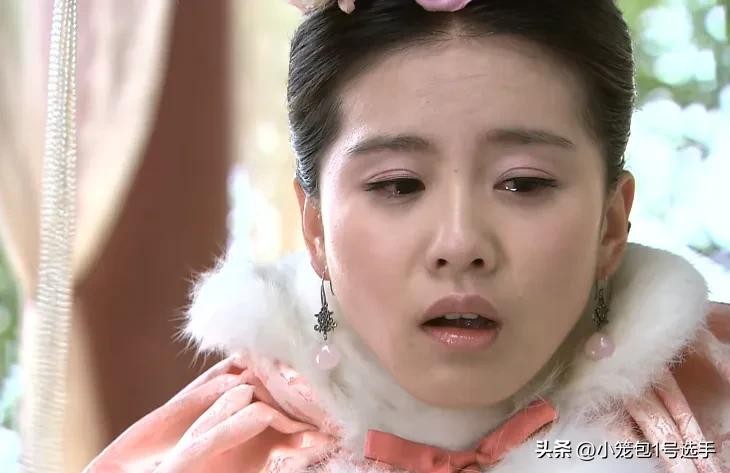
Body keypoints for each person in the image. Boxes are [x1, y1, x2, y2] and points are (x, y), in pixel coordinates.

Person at [83, 1, 730, 471]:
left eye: (523, 183)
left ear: (611, 223)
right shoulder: (216, 453)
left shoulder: (706, 421)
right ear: (315, 227)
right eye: (397, 185)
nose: (460, 243)